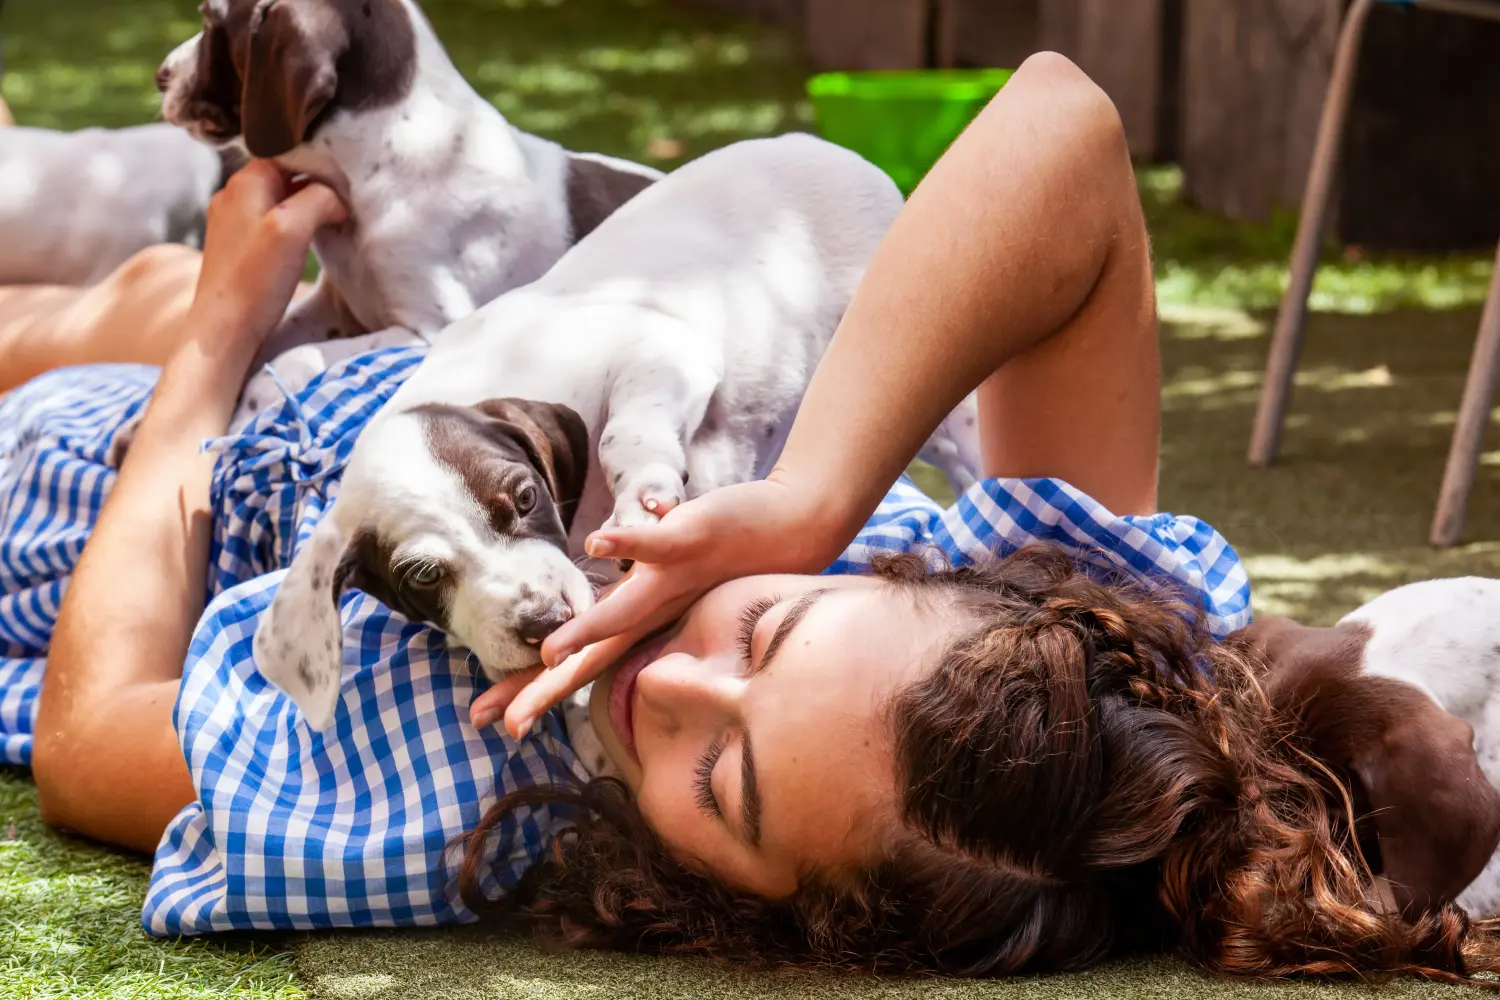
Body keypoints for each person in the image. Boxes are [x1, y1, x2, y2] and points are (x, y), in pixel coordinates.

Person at [4, 53, 1487, 981]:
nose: (670, 690)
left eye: (723, 785)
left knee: (108, 323)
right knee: (124, 291)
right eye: (767, 627)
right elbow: (1064, 129)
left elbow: (88, 735)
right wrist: (807, 498)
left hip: (122, 477)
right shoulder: (1046, 634)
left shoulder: (438, 797)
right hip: (395, 365)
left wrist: (213, 346)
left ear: (753, 914)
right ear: (920, 568)